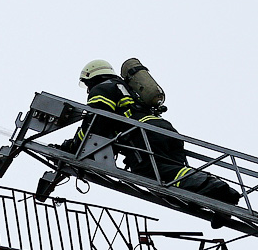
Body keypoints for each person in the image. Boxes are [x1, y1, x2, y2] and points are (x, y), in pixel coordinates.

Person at [74, 59, 241, 207]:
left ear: (92, 78)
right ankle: (216, 204)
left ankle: (217, 188)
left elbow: (96, 122)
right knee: (175, 176)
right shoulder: (130, 89)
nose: (88, 90)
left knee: (150, 172)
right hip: (164, 131)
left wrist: (74, 145)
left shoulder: (103, 89)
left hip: (143, 135)